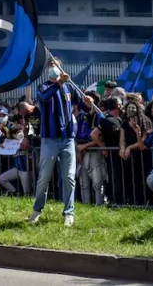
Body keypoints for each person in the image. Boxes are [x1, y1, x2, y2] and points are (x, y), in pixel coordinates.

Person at [28, 55, 96, 226]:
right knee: (44, 176)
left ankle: (69, 212)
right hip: (49, 139)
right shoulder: (43, 87)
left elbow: (79, 106)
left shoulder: (69, 88)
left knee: (69, 177)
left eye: (56, 64)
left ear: (61, 68)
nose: (53, 67)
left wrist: (87, 103)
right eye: (51, 64)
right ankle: (37, 209)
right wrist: (59, 83)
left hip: (67, 139)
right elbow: (43, 98)